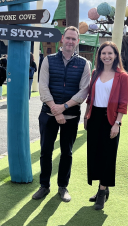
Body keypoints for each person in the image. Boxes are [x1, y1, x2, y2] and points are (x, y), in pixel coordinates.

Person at [32, 26, 91, 202]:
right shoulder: (48, 60)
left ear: (77, 41)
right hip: (48, 115)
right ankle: (44, 186)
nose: (70, 42)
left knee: (67, 152)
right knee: (46, 151)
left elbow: (83, 92)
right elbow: (43, 87)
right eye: (68, 38)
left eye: (74, 39)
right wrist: (54, 109)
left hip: (71, 116)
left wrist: (63, 107)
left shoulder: (84, 64)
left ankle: (62, 186)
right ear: (62, 40)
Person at [84, 41, 128, 210]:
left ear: (116, 55)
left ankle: (102, 192)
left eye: (110, 53)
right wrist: (86, 114)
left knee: (108, 155)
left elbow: (123, 103)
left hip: (110, 119)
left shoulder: (123, 76)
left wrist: (117, 123)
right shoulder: (95, 72)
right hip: (94, 117)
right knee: (96, 154)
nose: (107, 56)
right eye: (103, 53)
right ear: (99, 56)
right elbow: (90, 96)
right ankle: (102, 187)